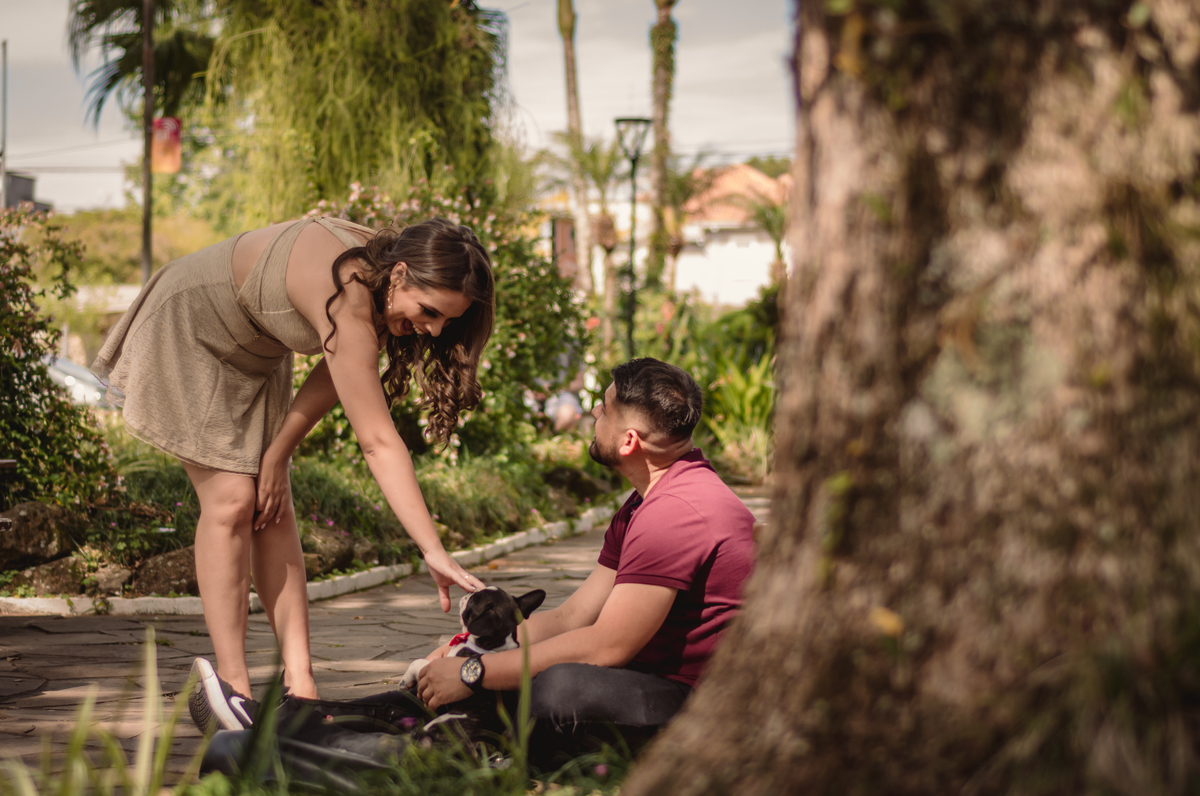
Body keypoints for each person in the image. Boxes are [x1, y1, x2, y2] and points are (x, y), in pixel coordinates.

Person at [92, 216, 489, 731]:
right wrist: (431, 549)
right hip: (190, 327)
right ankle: (232, 692)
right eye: (431, 312)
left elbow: (339, 366)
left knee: (271, 505)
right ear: (402, 275)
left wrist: (277, 453)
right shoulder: (347, 292)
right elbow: (376, 441)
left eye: (445, 322)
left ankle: (300, 685)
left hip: (256, 354)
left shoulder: (379, 285)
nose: (433, 330)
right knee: (234, 499)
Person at [415, 357, 756, 762]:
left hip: (703, 707)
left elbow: (607, 646)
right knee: (534, 670)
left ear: (629, 440)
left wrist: (475, 674)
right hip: (659, 681)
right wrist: (466, 650)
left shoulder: (675, 512)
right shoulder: (647, 502)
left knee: (558, 687)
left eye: (604, 407)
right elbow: (572, 617)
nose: (594, 411)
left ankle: (497, 746)